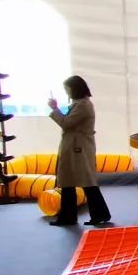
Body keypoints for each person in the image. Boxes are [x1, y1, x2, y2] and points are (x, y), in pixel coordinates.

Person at [47, 76, 111, 226]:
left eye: (67, 89)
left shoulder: (82, 105)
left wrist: (55, 109)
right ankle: (93, 215)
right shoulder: (82, 104)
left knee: (81, 182)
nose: (66, 93)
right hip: (76, 147)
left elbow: (66, 123)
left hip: (78, 148)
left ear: (74, 89)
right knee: (77, 182)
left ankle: (77, 216)